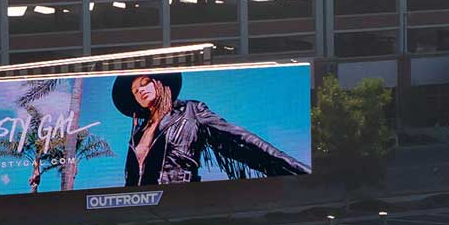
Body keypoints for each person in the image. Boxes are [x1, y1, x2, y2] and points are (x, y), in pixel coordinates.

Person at [112, 72, 310, 187]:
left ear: (158, 83)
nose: (141, 90)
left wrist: (298, 170)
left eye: (145, 83)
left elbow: (240, 138)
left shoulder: (190, 111)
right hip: (140, 208)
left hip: (180, 199)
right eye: (135, 91)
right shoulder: (137, 134)